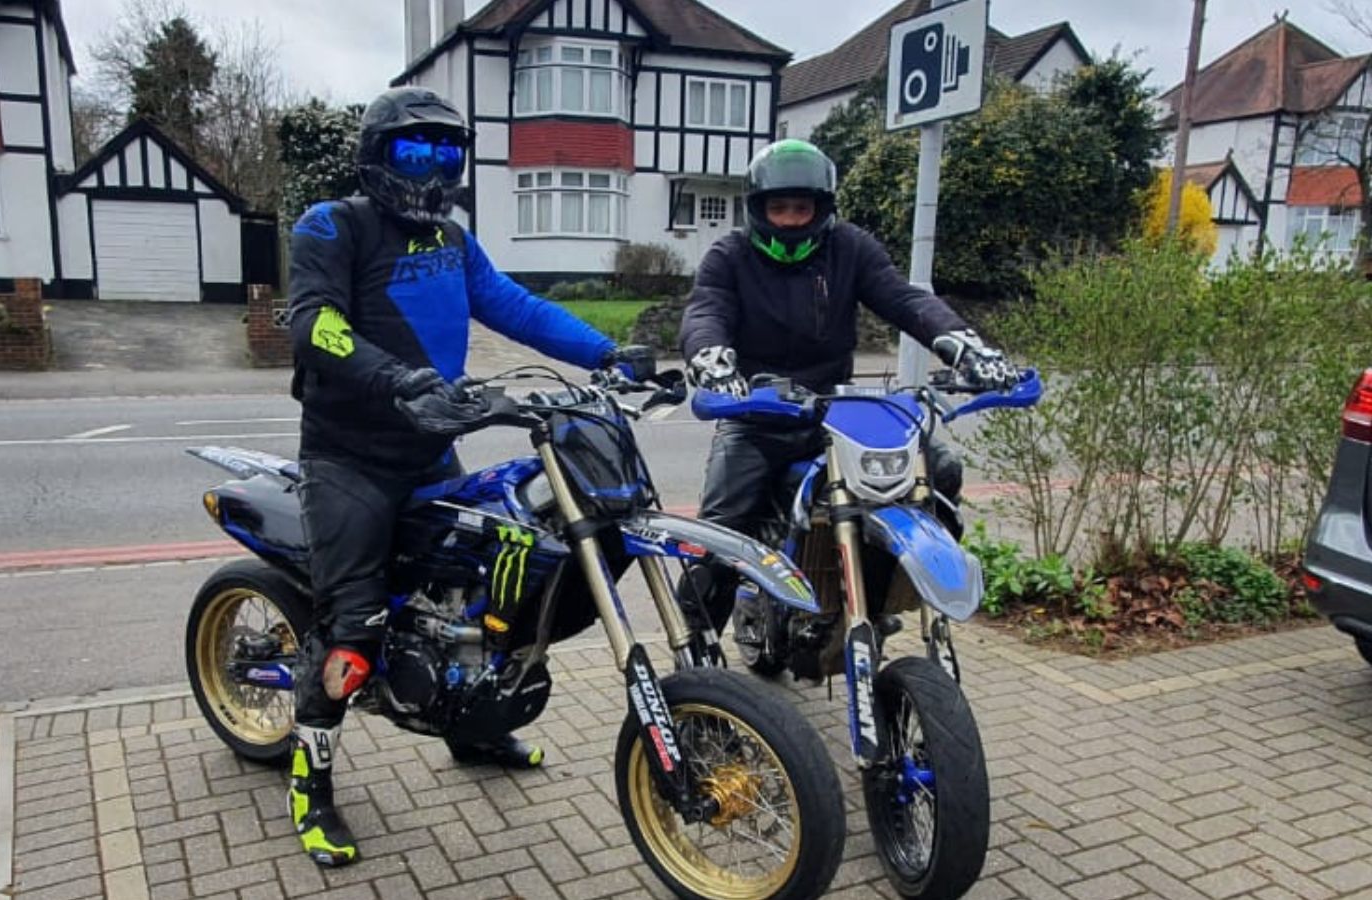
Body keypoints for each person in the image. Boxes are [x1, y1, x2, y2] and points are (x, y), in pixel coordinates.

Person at [285, 86, 650, 867]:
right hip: (349, 461)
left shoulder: (452, 238)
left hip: (432, 450)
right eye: (415, 150)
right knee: (353, 630)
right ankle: (310, 785)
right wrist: (397, 380)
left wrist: (608, 354)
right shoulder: (332, 224)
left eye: (447, 152)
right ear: (377, 156)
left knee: (486, 600)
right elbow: (314, 323)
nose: (433, 166)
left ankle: (472, 728)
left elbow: (513, 305)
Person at [678, 138, 1018, 631]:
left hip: (834, 412)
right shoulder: (728, 256)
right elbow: (706, 309)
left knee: (937, 470)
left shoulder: (850, 248)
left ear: (822, 209)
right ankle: (699, 642)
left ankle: (874, 603)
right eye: (779, 208)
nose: (790, 220)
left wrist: (965, 347)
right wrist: (711, 360)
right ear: (758, 208)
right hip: (756, 413)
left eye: (802, 208)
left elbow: (904, 299)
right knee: (721, 528)